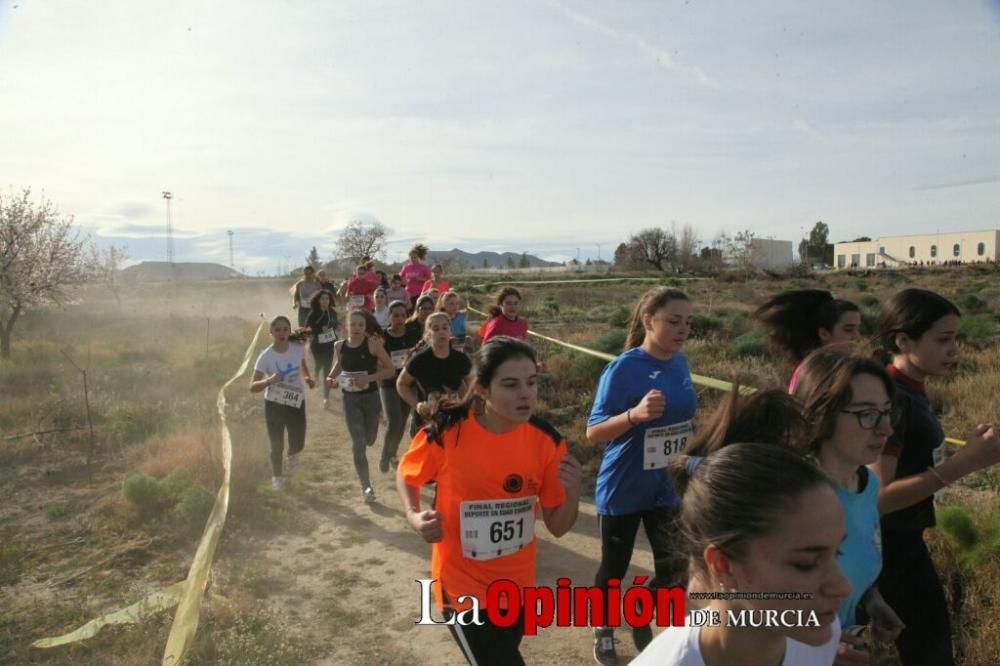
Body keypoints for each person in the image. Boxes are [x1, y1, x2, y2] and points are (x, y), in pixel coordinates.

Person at [396, 336, 582, 666]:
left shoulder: (547, 441)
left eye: (531, 382)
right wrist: (414, 515)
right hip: (460, 588)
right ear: (481, 389)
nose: (525, 393)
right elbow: (407, 473)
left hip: (517, 586)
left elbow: (558, 526)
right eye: (510, 385)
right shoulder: (447, 431)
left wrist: (574, 492)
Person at [870, 288, 1000, 665]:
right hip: (886, 548)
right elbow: (879, 496)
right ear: (903, 340)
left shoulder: (910, 391)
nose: (954, 351)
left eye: (956, 339)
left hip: (902, 541)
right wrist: (964, 465)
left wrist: (969, 454)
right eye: (943, 340)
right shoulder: (891, 397)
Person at [633, 443, 851, 666]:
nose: (843, 587)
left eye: (838, 553)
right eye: (807, 563)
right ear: (723, 566)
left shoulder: (821, 633)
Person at [587, 287, 697, 663]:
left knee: (674, 568)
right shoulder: (623, 368)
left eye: (687, 322)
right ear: (649, 321)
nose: (682, 330)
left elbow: (683, 423)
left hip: (666, 487)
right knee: (614, 568)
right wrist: (633, 415)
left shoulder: (680, 363)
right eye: (673, 321)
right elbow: (593, 431)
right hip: (623, 486)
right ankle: (602, 627)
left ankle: (638, 611)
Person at [792, 348, 905, 637]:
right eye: (867, 414)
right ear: (821, 414)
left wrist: (871, 600)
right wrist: (823, 644)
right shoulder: (788, 497)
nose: (886, 429)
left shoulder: (867, 485)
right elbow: (739, 607)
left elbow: (852, 562)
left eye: (887, 412)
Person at [326, 310, 395, 503]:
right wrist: (331, 378)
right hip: (349, 399)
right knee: (358, 443)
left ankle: (370, 438)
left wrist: (369, 378)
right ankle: (366, 486)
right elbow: (338, 367)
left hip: (371, 397)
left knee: (370, 439)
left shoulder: (373, 345)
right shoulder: (339, 346)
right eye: (353, 324)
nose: (356, 328)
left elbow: (390, 370)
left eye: (360, 325)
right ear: (346, 326)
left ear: (365, 328)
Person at [249, 316, 316, 490]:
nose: (282, 333)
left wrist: (307, 377)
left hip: (295, 401)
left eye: (285, 329)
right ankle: (277, 476)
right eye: (277, 330)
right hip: (274, 403)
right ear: (271, 332)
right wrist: (268, 381)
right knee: (276, 442)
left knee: (298, 440)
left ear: (289, 331)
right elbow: (252, 386)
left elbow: (302, 364)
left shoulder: (297, 348)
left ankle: (293, 456)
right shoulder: (265, 356)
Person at [752, 289, 861, 391]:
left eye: (858, 329)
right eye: (848, 330)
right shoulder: (818, 375)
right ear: (824, 333)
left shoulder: (831, 369)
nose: (857, 336)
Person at [396, 312, 473, 435]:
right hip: (426, 420)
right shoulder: (419, 360)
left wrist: (465, 403)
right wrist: (417, 405)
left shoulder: (461, 359)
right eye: (436, 329)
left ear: (450, 332)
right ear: (428, 335)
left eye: (445, 328)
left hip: (453, 418)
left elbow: (472, 385)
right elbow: (401, 384)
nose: (441, 332)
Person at [378, 300, 422, 473]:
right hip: (389, 384)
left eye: (403, 315)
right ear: (389, 317)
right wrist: (384, 370)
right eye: (395, 315)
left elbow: (418, 354)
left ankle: (393, 454)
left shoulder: (413, 334)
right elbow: (377, 359)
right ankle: (385, 455)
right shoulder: (383, 337)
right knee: (394, 422)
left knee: (402, 423)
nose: (399, 319)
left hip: (407, 384)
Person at [305, 290, 340, 410]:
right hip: (317, 345)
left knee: (327, 370)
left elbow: (336, 325)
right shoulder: (313, 313)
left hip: (330, 344)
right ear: (318, 301)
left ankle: (326, 397)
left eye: (327, 299)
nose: (325, 301)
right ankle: (315, 373)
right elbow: (307, 328)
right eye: (322, 299)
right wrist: (319, 328)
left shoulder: (333, 313)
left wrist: (336, 330)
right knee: (319, 364)